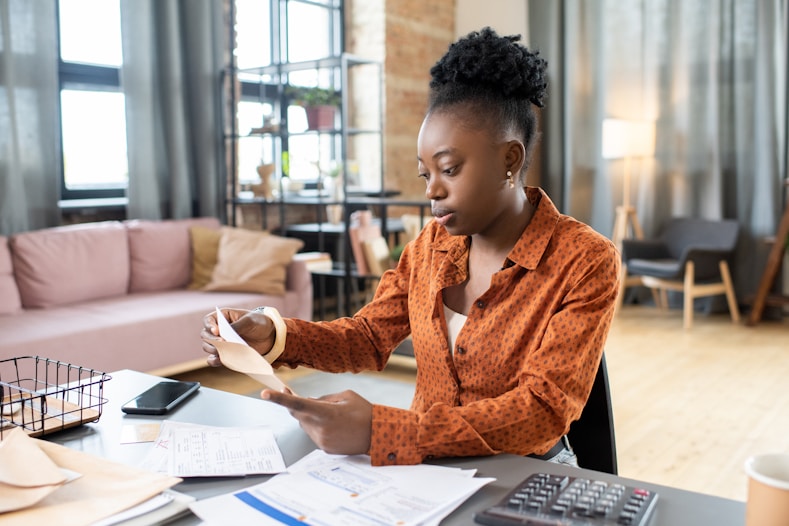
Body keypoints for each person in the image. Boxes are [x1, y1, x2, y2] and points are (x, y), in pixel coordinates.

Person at [201, 27, 620, 467]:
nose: (432, 191)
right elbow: (367, 338)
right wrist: (276, 335)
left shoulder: (585, 260)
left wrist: (382, 430)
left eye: (449, 169)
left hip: (522, 471)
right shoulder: (430, 247)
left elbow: (542, 411)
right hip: (425, 468)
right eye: (425, 175)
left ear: (509, 160)